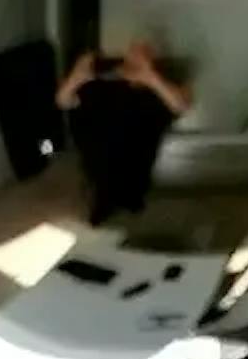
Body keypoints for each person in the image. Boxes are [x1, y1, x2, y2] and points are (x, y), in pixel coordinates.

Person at [57, 38, 195, 224]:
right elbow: (63, 101)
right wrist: (77, 76)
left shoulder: (162, 86)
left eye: (144, 53)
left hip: (136, 149)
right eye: (133, 52)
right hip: (101, 145)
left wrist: (150, 77)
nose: (136, 57)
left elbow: (181, 105)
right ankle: (105, 194)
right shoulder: (102, 83)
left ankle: (120, 194)